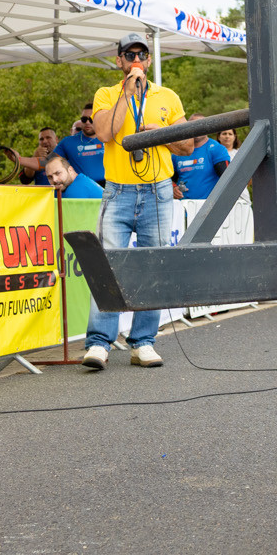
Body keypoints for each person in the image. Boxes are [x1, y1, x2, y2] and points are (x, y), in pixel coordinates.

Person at [83, 32, 185, 369]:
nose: (137, 60)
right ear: (119, 61)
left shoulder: (167, 96)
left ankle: (143, 342)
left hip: (157, 191)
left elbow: (187, 146)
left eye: (142, 55)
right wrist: (127, 94)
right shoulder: (107, 94)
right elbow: (104, 133)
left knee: (152, 265)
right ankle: (99, 342)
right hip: (118, 190)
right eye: (130, 55)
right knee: (108, 265)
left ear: (150, 60)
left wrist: (162, 134)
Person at [170, 116, 231, 200]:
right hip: (184, 204)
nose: (196, 129)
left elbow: (228, 178)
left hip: (208, 204)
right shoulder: (178, 152)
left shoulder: (217, 149)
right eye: (192, 125)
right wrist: (173, 188)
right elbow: (169, 179)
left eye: (200, 125)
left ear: (207, 128)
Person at [54, 107, 106, 187]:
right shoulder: (68, 142)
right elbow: (48, 161)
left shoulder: (110, 138)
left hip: (109, 187)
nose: (87, 122)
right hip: (81, 187)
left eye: (91, 119)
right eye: (84, 119)